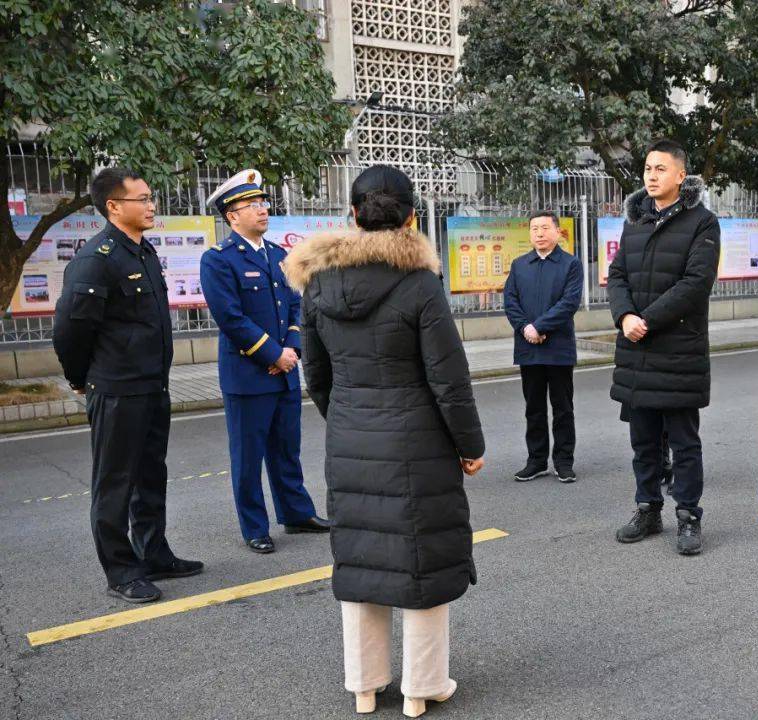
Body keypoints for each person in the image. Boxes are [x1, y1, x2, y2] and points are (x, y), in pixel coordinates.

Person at [283, 164, 485, 718]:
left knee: (361, 560)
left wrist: (348, 419)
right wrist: (469, 445)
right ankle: (422, 688)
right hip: (417, 442)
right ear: (412, 217)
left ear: (352, 215)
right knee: (422, 560)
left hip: (350, 437)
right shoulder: (419, 282)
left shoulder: (317, 282)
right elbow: (448, 378)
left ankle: (365, 686)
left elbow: (316, 375)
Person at [53, 167, 203, 604]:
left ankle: (154, 554)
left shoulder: (142, 252)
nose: (152, 205)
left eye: (151, 197)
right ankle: (121, 571)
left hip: (153, 385)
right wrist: (80, 378)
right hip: (117, 389)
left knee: (151, 474)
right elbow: (70, 330)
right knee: (115, 482)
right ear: (114, 206)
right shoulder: (96, 259)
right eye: (143, 199)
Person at [200, 169, 329, 553]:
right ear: (232, 215)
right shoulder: (218, 260)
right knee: (248, 456)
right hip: (248, 375)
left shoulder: (277, 255)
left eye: (263, 203)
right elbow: (230, 318)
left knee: (286, 449)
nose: (262, 210)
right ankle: (255, 527)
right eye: (252, 205)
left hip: (283, 372)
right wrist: (273, 354)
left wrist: (291, 351)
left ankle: (296, 513)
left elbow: (295, 306)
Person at [607, 139, 719, 556]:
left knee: (684, 443)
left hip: (678, 352)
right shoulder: (635, 221)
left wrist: (647, 321)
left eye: (660, 169)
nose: (651, 176)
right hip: (637, 350)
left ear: (680, 175)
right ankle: (648, 509)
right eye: (647, 169)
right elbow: (617, 275)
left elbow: (695, 284)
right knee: (643, 441)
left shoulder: (703, 222)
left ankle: (688, 516)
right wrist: (624, 316)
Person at [503, 210, 584, 483]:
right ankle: (536, 461)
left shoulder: (571, 264)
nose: (539, 233)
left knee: (563, 408)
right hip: (529, 348)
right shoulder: (519, 265)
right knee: (534, 408)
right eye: (534, 228)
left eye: (545, 228)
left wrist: (539, 327)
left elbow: (569, 303)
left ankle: (563, 461)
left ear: (558, 232)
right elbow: (510, 301)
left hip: (558, 348)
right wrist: (526, 328)